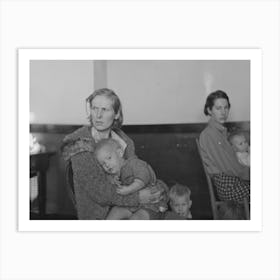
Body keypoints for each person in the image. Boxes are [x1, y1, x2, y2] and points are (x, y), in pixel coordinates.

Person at [61, 88, 162, 219]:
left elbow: (136, 171)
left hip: (129, 206)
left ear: (116, 114)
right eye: (94, 108)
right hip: (98, 214)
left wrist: (156, 190)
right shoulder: (79, 143)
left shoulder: (124, 141)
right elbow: (99, 192)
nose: (98, 115)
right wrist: (138, 197)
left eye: (104, 109)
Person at [94, 138, 169, 220]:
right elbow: (110, 192)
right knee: (115, 211)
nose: (107, 165)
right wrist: (112, 181)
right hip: (132, 205)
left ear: (119, 153)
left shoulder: (134, 163)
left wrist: (129, 189)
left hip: (150, 204)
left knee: (136, 218)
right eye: (103, 164)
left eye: (109, 158)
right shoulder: (114, 174)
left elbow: (144, 177)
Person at [199, 90, 250, 203]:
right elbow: (228, 166)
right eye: (218, 108)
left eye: (226, 107)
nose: (223, 112)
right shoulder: (209, 134)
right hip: (229, 186)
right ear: (209, 110)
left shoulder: (222, 132)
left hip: (237, 180)